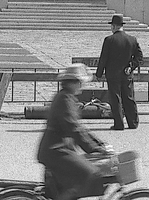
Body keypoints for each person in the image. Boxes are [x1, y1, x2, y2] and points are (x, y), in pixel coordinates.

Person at [37, 63, 110, 200]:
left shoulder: (66, 97)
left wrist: (98, 144)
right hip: (56, 151)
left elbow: (79, 128)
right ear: (72, 82)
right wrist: (93, 148)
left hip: (59, 149)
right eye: (80, 82)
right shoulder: (65, 99)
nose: (82, 85)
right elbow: (73, 128)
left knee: (76, 182)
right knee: (90, 173)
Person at [95, 14, 143, 130]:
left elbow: (103, 58)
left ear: (114, 26)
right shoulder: (132, 39)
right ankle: (133, 123)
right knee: (129, 98)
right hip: (127, 74)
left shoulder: (109, 40)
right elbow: (139, 56)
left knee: (115, 99)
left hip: (113, 74)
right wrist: (131, 66)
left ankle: (119, 124)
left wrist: (99, 74)